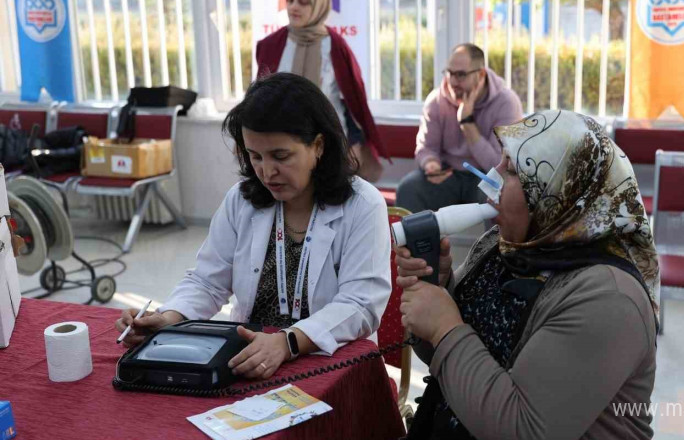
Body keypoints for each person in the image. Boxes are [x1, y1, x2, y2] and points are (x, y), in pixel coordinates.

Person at [395, 110, 659, 439]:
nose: (490, 182)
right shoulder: (503, 247)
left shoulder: (609, 298)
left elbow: (523, 428)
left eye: (511, 169)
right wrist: (439, 287)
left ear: (557, 189)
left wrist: (445, 326)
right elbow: (442, 357)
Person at [114, 73, 392, 381]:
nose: (266, 172)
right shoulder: (243, 200)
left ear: (318, 146)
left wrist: (286, 343)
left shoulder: (362, 205)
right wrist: (169, 318)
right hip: (249, 358)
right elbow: (208, 281)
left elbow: (360, 305)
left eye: (281, 156)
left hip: (331, 361)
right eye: (255, 156)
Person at [255, 0, 387, 182]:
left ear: (320, 6)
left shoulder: (335, 46)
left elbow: (352, 101)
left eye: (303, 2)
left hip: (329, 142)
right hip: (280, 143)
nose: (294, 7)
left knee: (329, 202)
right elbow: (259, 98)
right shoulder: (271, 45)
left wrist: (354, 142)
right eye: (290, 1)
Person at [395, 43, 524, 214]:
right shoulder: (436, 101)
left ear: (481, 75)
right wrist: (430, 163)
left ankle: (494, 242)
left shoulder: (506, 103)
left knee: (502, 194)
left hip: (486, 176)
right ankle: (427, 242)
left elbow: (499, 165)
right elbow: (426, 148)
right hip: (448, 174)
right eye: (450, 73)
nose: (453, 82)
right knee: (409, 189)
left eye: (461, 75)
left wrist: (467, 124)